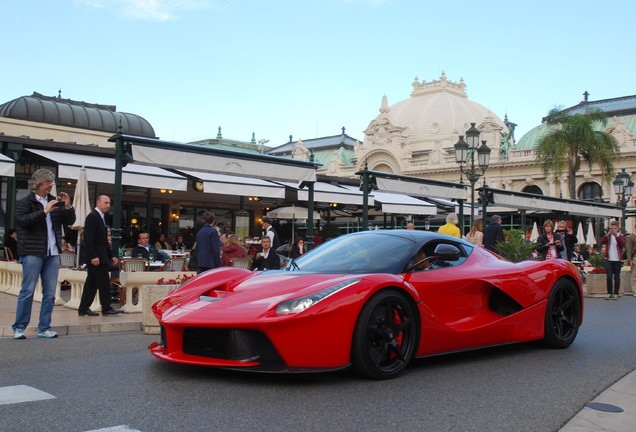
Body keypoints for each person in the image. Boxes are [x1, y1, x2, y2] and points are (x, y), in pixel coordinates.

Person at [12, 168, 75, 339]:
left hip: (52, 253)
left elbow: (70, 222)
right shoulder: (25, 202)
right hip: (32, 252)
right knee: (28, 290)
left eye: (51, 182)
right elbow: (22, 222)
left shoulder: (55, 202)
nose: (51, 185)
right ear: (39, 183)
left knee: (50, 293)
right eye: (48, 182)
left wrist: (68, 207)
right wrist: (44, 211)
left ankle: (44, 327)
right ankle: (19, 327)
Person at [78, 195, 121, 317]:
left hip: (101, 256)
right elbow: (88, 239)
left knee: (91, 284)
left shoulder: (100, 217)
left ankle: (83, 308)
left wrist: (111, 254)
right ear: (98, 203)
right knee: (103, 283)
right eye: (105, 202)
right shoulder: (92, 217)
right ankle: (106, 308)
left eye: (109, 203)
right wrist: (93, 256)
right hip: (97, 258)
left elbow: (103, 241)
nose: (108, 205)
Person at [601, 220, 625, 300]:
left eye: (615, 228)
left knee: (617, 277)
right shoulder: (608, 236)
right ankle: (609, 292)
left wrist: (616, 236)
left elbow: (622, 244)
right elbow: (602, 241)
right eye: (612, 228)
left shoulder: (620, 236)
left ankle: (616, 292)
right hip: (609, 259)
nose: (613, 230)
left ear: (618, 228)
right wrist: (607, 235)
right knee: (609, 277)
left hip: (617, 260)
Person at [626, 232, 636, 298]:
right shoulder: (632, 237)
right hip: (635, 257)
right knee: (634, 275)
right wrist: (630, 260)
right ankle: (635, 291)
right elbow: (629, 249)